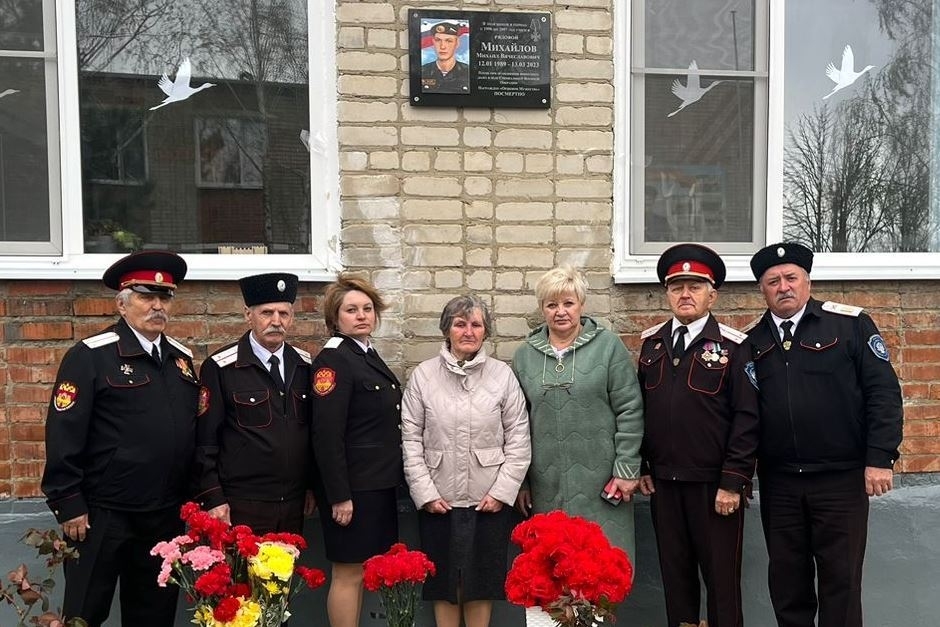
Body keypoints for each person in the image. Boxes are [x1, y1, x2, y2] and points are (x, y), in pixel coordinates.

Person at [747, 242, 903, 627]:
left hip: (840, 480)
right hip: (780, 484)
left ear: (807, 281)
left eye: (791, 277)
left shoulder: (848, 325)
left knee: (841, 585)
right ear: (762, 290)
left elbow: (882, 392)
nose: (783, 286)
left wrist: (880, 457)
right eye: (772, 281)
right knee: (788, 585)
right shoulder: (753, 342)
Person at [41, 250, 199, 627]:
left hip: (162, 513)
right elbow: (64, 429)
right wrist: (68, 501)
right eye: (147, 296)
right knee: (85, 611)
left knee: (154, 614)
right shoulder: (90, 355)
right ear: (122, 303)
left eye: (165, 297)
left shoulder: (180, 358)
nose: (157, 306)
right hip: (102, 514)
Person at [637, 244, 759, 627]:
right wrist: (642, 465)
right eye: (676, 287)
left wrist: (733, 482)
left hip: (714, 489)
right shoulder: (652, 344)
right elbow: (640, 409)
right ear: (667, 293)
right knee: (677, 582)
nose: (685, 294)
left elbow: (748, 418)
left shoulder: (734, 346)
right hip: (665, 485)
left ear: (712, 294)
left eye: (694, 286)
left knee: (722, 584)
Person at [402, 295, 531, 627]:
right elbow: (411, 439)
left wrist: (502, 492)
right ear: (447, 330)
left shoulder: (502, 376)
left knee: (480, 584)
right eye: (460, 324)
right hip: (438, 500)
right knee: (444, 583)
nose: (468, 331)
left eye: (476, 325)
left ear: (485, 332)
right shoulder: (423, 376)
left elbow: (519, 440)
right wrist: (425, 493)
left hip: (487, 501)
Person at [512, 265, 645, 562]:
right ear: (542, 309)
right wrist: (521, 482)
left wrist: (626, 468)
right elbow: (515, 425)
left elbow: (630, 409)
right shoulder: (524, 356)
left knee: (600, 574)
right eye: (552, 304)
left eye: (568, 303)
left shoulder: (608, 348)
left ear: (581, 305)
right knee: (551, 577)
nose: (561, 311)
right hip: (546, 488)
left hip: (603, 486)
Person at [311, 274, 403, 627]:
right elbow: (326, 433)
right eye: (351, 310)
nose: (361, 315)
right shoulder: (334, 361)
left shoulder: (365, 354)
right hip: (352, 490)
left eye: (367, 309)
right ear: (336, 318)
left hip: (376, 484)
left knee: (364, 570)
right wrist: (339, 495)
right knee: (348, 572)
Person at [193, 272, 315, 534]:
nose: (276, 321)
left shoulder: (304, 365)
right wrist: (213, 496)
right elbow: (205, 439)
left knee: (286, 575)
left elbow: (311, 433)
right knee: (242, 575)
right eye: (267, 313)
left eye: (283, 313)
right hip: (243, 503)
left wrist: (311, 486)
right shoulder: (222, 367)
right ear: (248, 314)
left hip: (293, 503)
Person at [421, 21, 470, 93]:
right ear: (433, 42)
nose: (442, 46)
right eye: (438, 40)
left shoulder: (468, 73)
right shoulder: (422, 71)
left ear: (457, 43)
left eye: (449, 41)